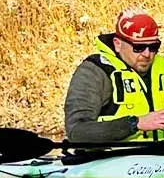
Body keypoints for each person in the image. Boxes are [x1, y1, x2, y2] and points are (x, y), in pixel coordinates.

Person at [65, 10, 164, 142]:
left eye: (153, 46)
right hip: (111, 158)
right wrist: (135, 124)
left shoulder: (161, 66)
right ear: (118, 44)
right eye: (138, 47)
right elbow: (77, 132)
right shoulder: (95, 72)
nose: (147, 54)